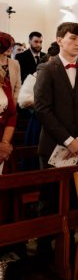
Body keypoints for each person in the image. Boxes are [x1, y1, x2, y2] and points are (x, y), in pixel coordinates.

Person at [34, 22, 78, 167]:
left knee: (77, 189)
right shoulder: (46, 69)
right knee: (52, 190)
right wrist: (68, 140)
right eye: (73, 38)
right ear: (59, 40)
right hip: (53, 143)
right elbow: (42, 108)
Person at [0, 33, 17, 221]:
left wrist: (4, 143)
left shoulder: (3, 80)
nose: (5, 61)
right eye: (3, 55)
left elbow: (12, 112)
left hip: (4, 138)